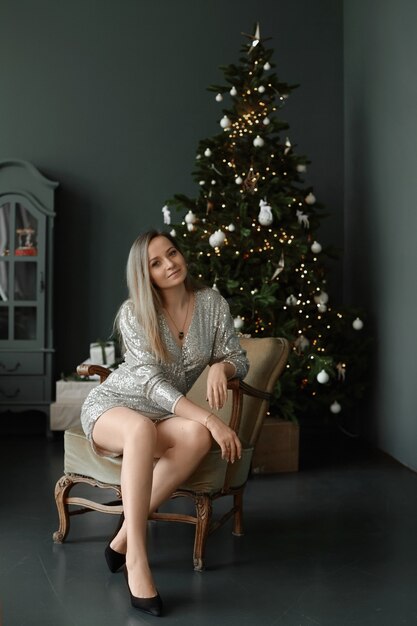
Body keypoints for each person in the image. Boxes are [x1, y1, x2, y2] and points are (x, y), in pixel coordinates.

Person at [80, 230, 249, 617]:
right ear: (145, 274)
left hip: (162, 414)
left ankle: (121, 539)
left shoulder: (211, 303)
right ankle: (137, 560)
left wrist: (221, 366)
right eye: (156, 262)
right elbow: (151, 385)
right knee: (144, 428)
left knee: (195, 435)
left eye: (171, 253)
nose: (170, 264)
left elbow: (237, 357)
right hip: (114, 405)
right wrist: (212, 417)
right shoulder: (134, 312)